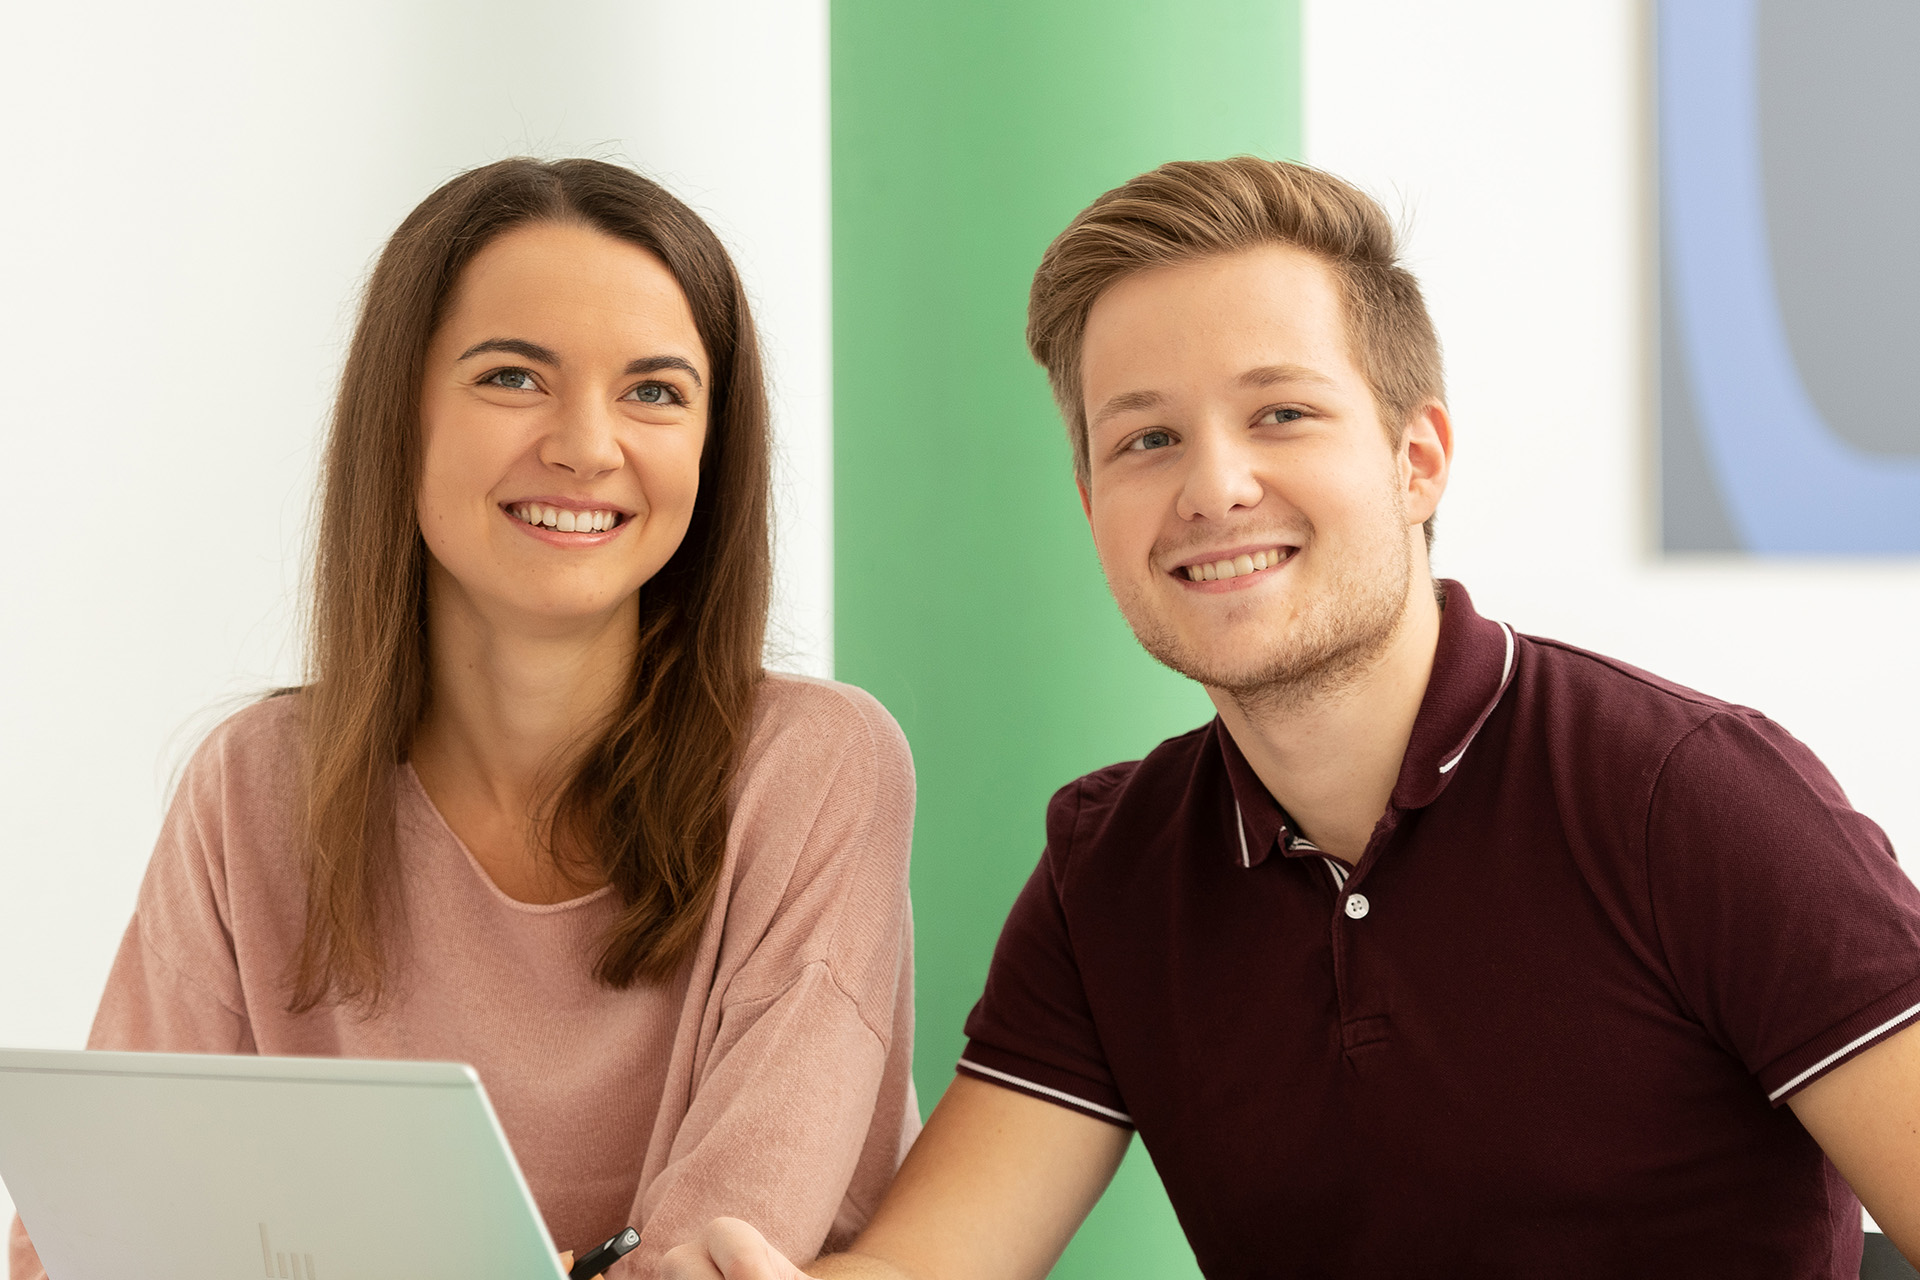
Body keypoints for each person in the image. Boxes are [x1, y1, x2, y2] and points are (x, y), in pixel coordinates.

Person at [661, 158, 1920, 1279]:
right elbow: (931, 1263)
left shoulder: (1685, 795)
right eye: (1145, 437)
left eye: (1282, 413)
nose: (1214, 485)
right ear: (1091, 499)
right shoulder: (1115, 868)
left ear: (1417, 458)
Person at [8, 158, 918, 1279]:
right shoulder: (253, 784)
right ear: (402, 412)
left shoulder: (817, 768)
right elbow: (91, 1238)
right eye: (513, 378)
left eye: (655, 391)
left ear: (710, 448)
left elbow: (720, 1254)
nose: (588, 445)